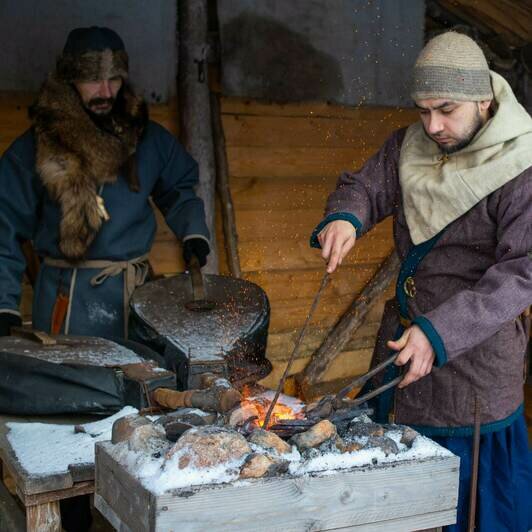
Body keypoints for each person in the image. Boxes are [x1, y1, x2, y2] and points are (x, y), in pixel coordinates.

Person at [311, 32, 532, 531]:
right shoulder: (410, 143)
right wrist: (347, 216)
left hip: (471, 370)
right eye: (423, 110)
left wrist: (439, 333)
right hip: (399, 355)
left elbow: (521, 271)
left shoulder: (523, 166)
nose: (432, 125)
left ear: (483, 98)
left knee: (470, 511)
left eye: (446, 110)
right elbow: (366, 185)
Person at [0, 26, 211, 341]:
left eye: (114, 79)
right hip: (65, 300)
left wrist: (193, 231)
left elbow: (180, 187)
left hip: (135, 299)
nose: (106, 91)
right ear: (70, 80)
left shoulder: (147, 139)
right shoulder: (35, 147)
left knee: (138, 383)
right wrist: (3, 306)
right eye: (93, 80)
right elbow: (3, 226)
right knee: (71, 387)